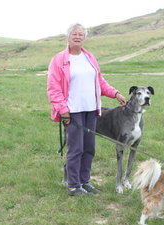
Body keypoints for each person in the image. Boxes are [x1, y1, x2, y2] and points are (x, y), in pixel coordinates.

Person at [47, 23, 126, 196]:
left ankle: (85, 181)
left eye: (81, 34)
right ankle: (73, 185)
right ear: (68, 36)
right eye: (74, 34)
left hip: (91, 110)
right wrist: (63, 110)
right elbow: (53, 88)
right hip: (72, 111)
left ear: (85, 38)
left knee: (89, 148)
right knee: (76, 148)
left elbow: (99, 81)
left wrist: (115, 93)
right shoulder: (59, 59)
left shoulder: (89, 57)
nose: (77, 37)